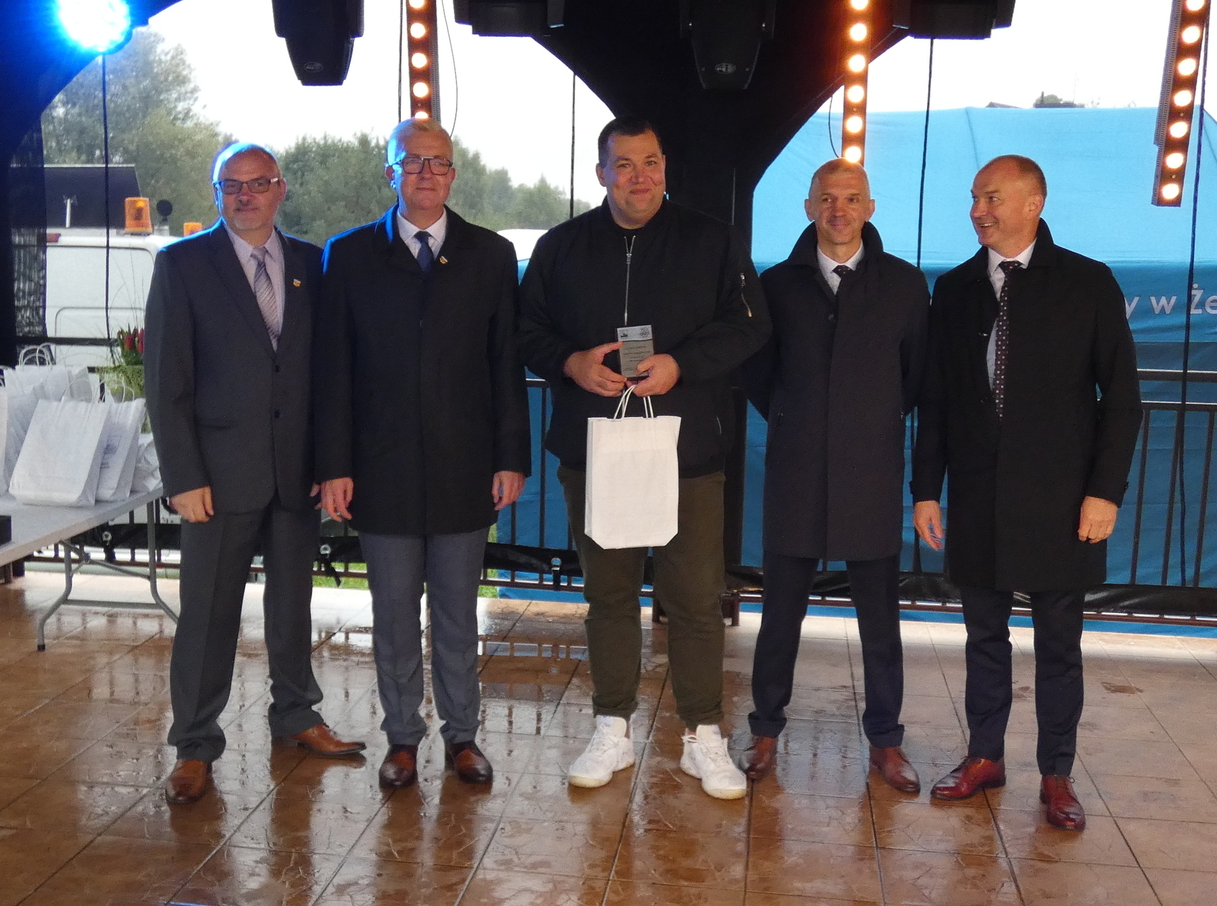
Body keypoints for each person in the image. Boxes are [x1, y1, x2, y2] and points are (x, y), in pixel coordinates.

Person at [516, 116, 771, 800]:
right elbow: (525, 330)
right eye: (624, 164)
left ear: (665, 167)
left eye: (650, 162)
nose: (639, 177)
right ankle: (612, 728)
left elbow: (750, 324)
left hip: (688, 452)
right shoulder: (561, 246)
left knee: (695, 600)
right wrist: (570, 362)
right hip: (596, 449)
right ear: (601, 173)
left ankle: (703, 735)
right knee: (609, 596)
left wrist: (682, 364)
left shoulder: (712, 241)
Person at [911, 154, 1141, 831]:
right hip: (977, 496)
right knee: (983, 636)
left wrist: (1105, 492)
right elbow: (937, 400)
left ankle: (1056, 774)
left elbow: (1122, 399)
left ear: (1033, 203)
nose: (978, 210)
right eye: (974, 198)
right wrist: (926, 490)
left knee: (1059, 645)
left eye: (992, 198)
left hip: (1063, 502)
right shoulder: (954, 288)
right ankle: (985, 756)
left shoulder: (1087, 282)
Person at [144, 142, 365, 807]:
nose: (245, 195)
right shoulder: (182, 265)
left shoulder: (312, 264)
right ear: (217, 193)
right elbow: (166, 382)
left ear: (280, 189)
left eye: (258, 183)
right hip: (215, 478)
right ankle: (194, 744)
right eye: (232, 185)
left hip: (295, 474)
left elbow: (329, 374)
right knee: (208, 615)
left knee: (292, 606)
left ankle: (296, 715)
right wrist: (183, 476)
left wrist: (331, 463)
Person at [312, 118, 530, 790]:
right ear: (391, 173)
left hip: (467, 468)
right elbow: (333, 370)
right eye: (413, 162)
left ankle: (463, 736)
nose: (426, 174)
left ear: (453, 174)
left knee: (459, 615)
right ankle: (402, 739)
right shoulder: (348, 254)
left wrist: (511, 456)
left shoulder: (491, 255)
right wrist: (334, 465)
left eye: (438, 163)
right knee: (394, 617)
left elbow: (505, 363)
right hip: (380, 470)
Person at [740, 158, 928, 792]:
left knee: (880, 622)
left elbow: (914, 377)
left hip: (870, 474)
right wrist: (800, 419)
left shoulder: (904, 285)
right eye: (827, 198)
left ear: (870, 208)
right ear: (809, 207)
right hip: (796, 473)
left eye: (851, 199)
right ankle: (765, 731)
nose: (839, 210)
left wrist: (864, 422)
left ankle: (886, 742)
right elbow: (759, 375)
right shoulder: (776, 285)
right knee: (779, 616)